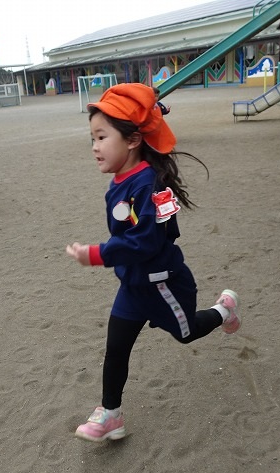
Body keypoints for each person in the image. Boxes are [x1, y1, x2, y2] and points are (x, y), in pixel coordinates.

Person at [65, 83, 241, 442]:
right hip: (134, 286)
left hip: (164, 283)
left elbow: (146, 241)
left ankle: (224, 310)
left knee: (186, 334)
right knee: (116, 349)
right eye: (92, 138)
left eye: (102, 137)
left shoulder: (149, 184)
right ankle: (110, 415)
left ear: (132, 140)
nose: (95, 147)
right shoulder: (120, 181)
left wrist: (96, 254)